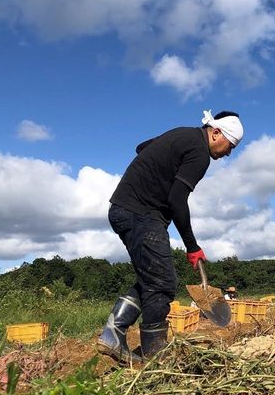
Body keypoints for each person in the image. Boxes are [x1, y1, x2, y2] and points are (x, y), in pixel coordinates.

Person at [97, 110, 244, 363]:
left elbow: (142, 147)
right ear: (216, 133)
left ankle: (114, 330)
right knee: (163, 283)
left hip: (125, 209)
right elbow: (177, 200)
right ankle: (154, 356)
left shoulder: (181, 134)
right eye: (229, 146)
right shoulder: (200, 155)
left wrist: (158, 167)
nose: (228, 153)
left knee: (152, 278)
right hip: (141, 213)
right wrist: (192, 246)